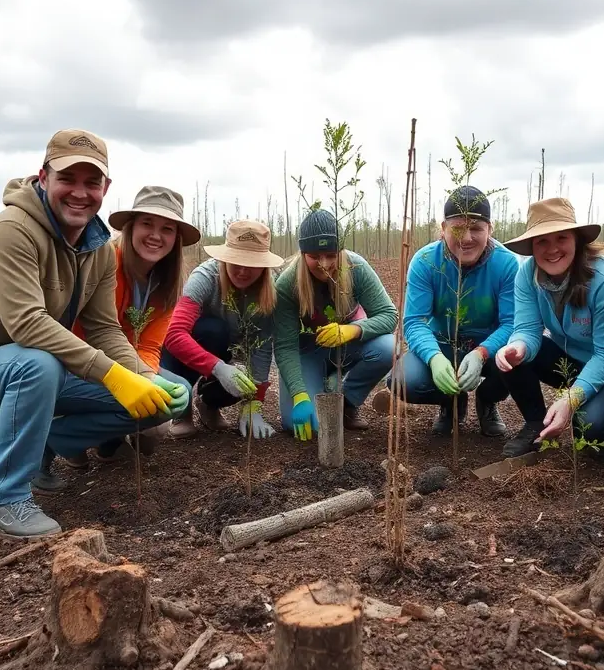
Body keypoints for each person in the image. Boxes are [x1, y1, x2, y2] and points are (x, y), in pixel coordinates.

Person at [0, 129, 189, 537]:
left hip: (37, 370)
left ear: (106, 188)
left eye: (91, 182)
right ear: (44, 178)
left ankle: (39, 446)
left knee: (156, 400)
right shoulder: (11, 231)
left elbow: (103, 328)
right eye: (68, 179)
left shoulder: (97, 248)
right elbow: (27, 323)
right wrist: (114, 376)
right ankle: (4, 498)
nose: (79, 192)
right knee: (37, 362)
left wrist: (144, 376)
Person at [64, 185, 201, 464]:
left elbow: (149, 344)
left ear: (176, 238)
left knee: (176, 396)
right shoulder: (105, 262)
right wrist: (131, 382)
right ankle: (53, 441)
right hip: (78, 364)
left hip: (126, 364)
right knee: (152, 410)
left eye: (167, 229)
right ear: (130, 227)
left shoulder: (167, 282)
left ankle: (108, 444)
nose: (155, 235)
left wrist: (148, 379)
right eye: (147, 224)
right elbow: (85, 334)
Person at [496, 197, 604, 459]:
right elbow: (526, 327)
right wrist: (518, 346)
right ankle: (537, 425)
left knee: (592, 431)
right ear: (532, 247)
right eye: (542, 241)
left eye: (561, 238)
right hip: (573, 358)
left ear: (577, 240)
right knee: (511, 357)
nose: (552, 249)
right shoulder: (528, 274)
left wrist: (570, 400)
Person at [389, 185, 518, 437]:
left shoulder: (507, 264)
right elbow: (414, 321)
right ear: (443, 228)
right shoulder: (425, 261)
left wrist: (481, 352)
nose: (467, 238)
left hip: (490, 349)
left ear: (490, 229)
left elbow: (512, 323)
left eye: (477, 228)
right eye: (458, 227)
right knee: (404, 380)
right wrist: (434, 358)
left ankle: (487, 399)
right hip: (442, 345)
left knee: (519, 362)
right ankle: (451, 401)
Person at [274, 209, 397, 441]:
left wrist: (352, 329)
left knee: (389, 348)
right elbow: (285, 346)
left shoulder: (356, 268)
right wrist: (300, 396)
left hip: (347, 345)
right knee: (298, 425)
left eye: (331, 255)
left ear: (340, 250)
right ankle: (317, 389)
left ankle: (347, 403)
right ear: (303, 253)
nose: (324, 264)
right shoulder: (287, 283)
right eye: (314, 256)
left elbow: (389, 315)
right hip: (308, 351)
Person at [161, 219, 282, 440]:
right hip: (187, 348)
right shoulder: (205, 277)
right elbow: (174, 333)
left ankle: (208, 404)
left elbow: (262, 348)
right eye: (236, 261)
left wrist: (253, 405)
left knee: (244, 379)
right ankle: (182, 411)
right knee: (213, 330)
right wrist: (218, 368)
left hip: (226, 355)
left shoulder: (270, 289)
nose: (243, 271)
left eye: (252, 263)